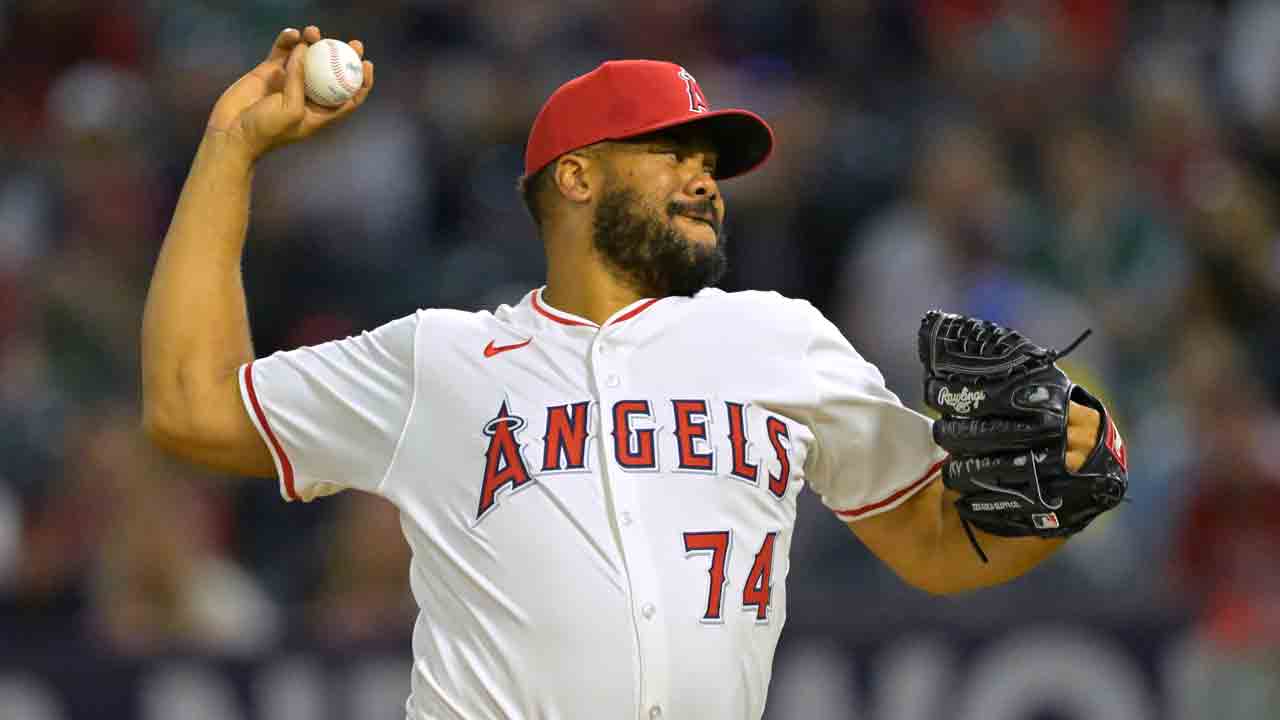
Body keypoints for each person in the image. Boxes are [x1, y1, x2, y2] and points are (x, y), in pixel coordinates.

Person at [141, 26, 1107, 720]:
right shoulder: (441, 357)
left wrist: (1078, 480)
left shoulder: (780, 338)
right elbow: (191, 406)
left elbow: (933, 543)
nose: (705, 179)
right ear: (576, 176)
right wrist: (233, 147)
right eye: (672, 152)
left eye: (711, 163)